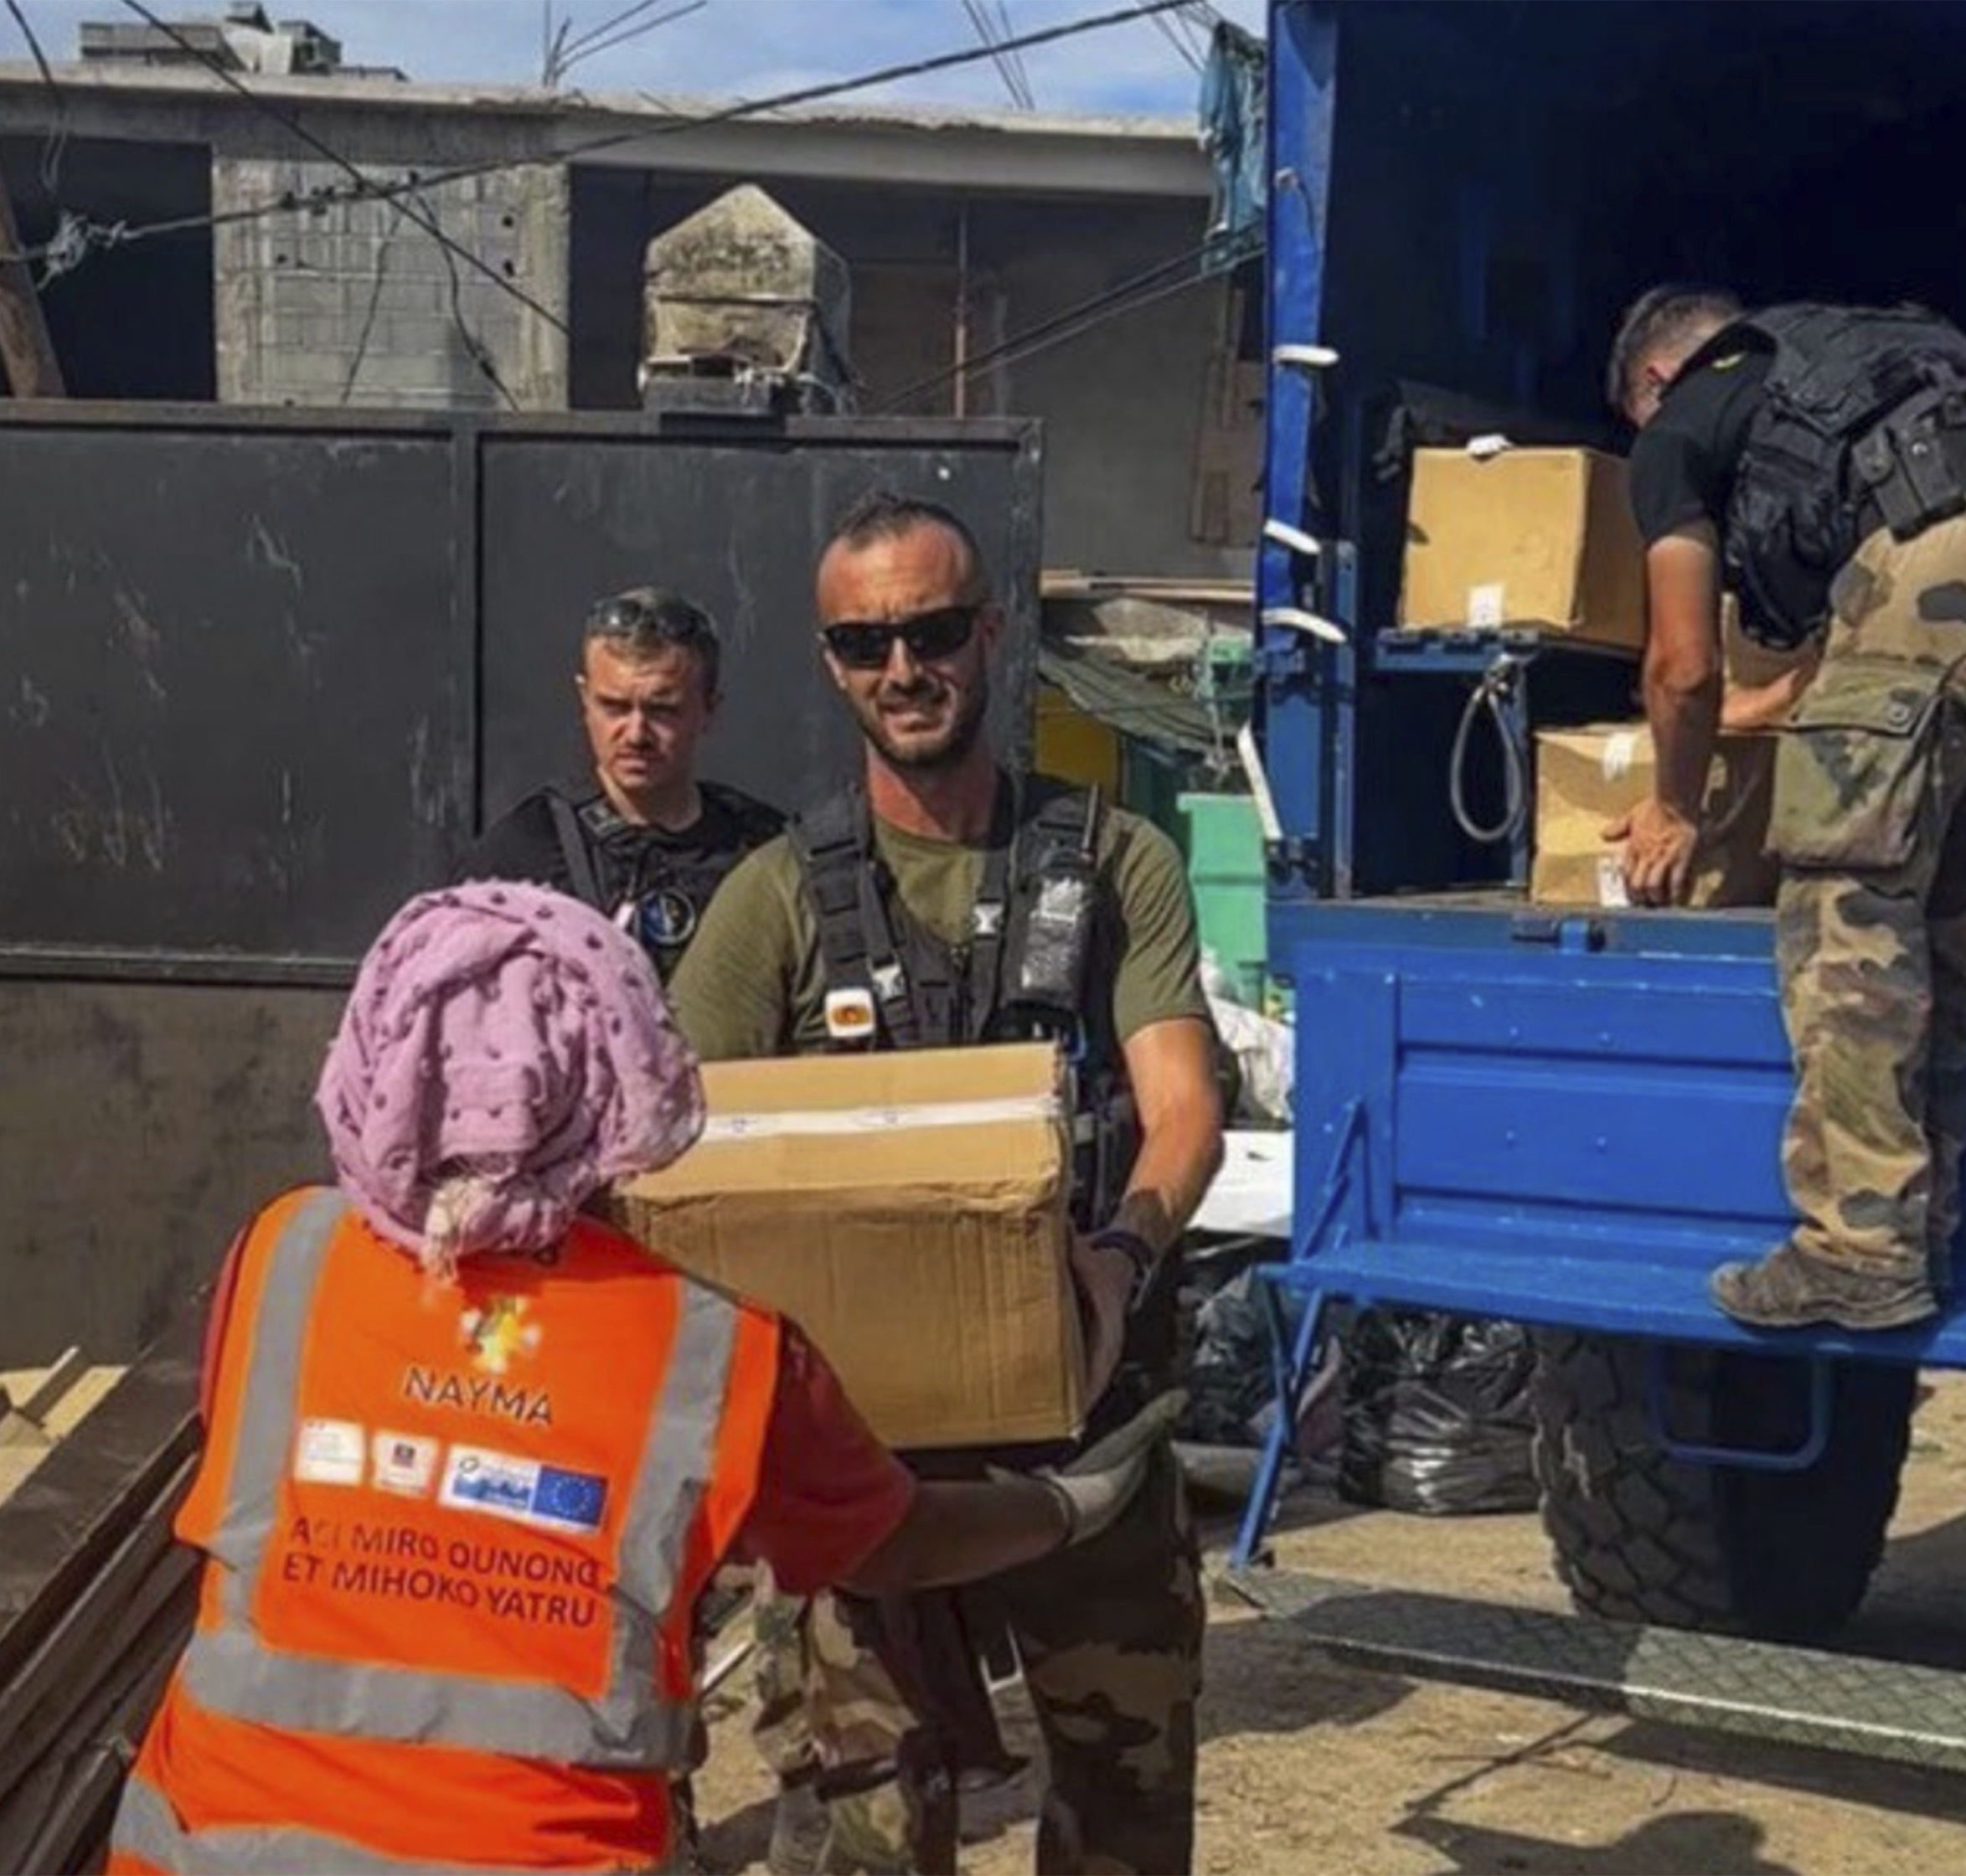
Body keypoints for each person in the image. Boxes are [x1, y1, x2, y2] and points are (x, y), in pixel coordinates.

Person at [106, 882, 1178, 1876]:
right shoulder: (716, 1349)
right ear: (614, 1079)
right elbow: (894, 1538)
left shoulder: (283, 1255)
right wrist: (1061, 1506)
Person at [671, 491, 1228, 1875]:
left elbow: (1182, 1114)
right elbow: (670, 1154)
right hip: (854, 1461)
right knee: (865, 1822)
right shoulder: (779, 900)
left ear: (990, 636)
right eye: (866, 645)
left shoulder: (1113, 863)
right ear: (831, 662)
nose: (902, 670)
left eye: (929, 632)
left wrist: (1118, 1256)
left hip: (1081, 1430)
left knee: (1126, 1804)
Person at [1605, 286, 1966, 1332]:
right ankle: (1922, 1224)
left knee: (1845, 900)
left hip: (1953, 570)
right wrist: (1767, 710)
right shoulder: (1856, 370)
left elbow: (1680, 665)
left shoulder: (1679, 424)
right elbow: (1861, 660)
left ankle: (1856, 1247)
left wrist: (1675, 805)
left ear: (1655, 382)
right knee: (1952, 899)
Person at [458, 586, 785, 980]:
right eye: (614, 706)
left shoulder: (764, 850)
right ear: (585, 699)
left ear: (709, 710)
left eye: (662, 710)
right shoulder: (521, 855)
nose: (636, 734)